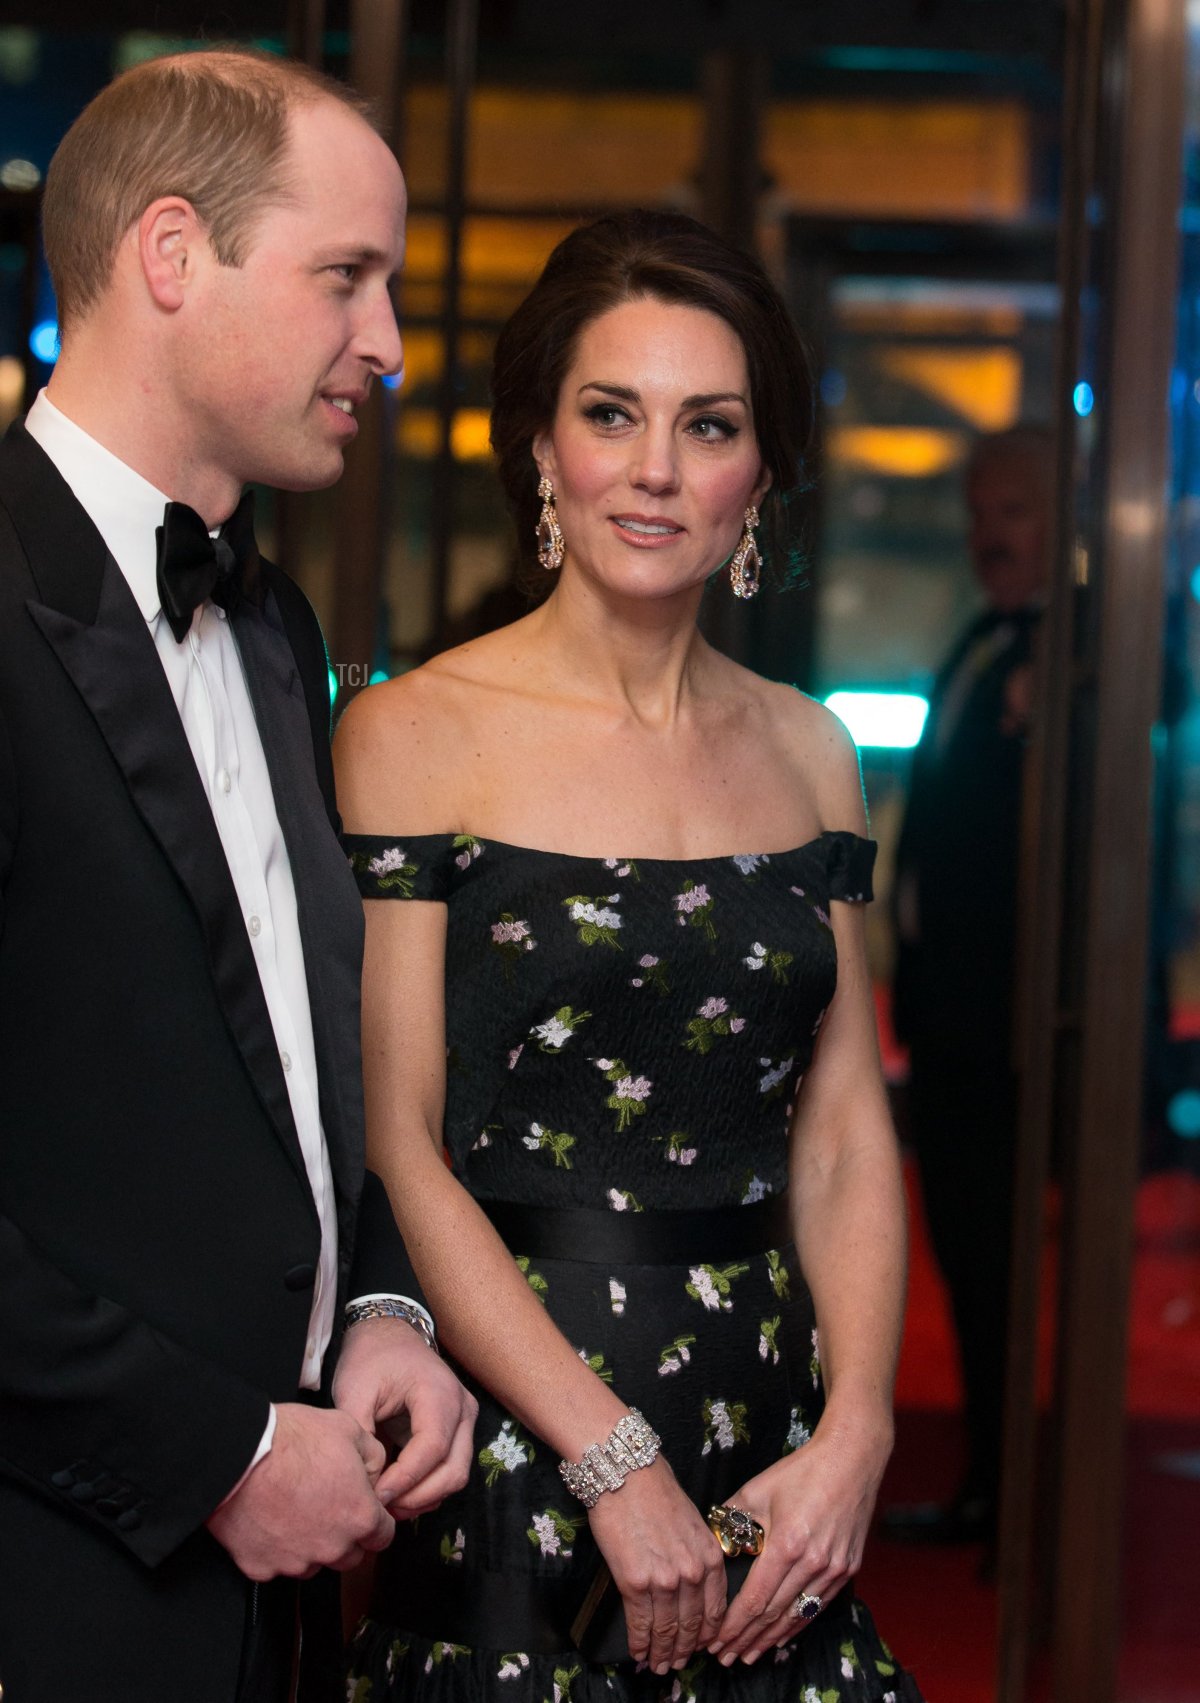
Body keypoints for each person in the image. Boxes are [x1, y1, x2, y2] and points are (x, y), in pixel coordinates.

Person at [335, 210, 923, 1700]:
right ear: (543, 445)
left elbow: (846, 1131)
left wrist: (859, 1427)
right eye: (612, 414)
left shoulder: (813, 749)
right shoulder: (413, 732)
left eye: (708, 424)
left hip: (774, 1446)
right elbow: (401, 1140)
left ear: (760, 475)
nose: (656, 468)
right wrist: (611, 1456)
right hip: (519, 1423)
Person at [0, 49, 476, 1703]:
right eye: (346, 276)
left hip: (264, 1614)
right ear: (170, 254)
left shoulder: (273, 622)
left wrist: (385, 1303)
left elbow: (292, 1040)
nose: (389, 343)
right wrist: (213, 1452)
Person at [882, 427, 1051, 1550]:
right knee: (967, 1258)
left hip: (1015, 1027)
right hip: (951, 1021)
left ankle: (1012, 1494)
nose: (988, 534)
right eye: (979, 512)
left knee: (996, 1265)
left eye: (1014, 511)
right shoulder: (983, 642)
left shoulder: (1079, 658)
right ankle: (994, 1480)